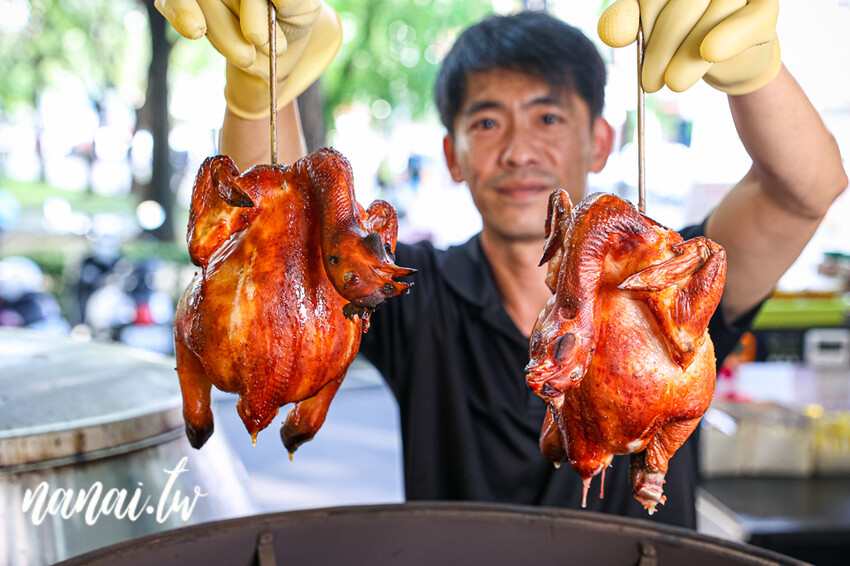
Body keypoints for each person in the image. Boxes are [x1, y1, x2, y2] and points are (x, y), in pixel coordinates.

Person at [158, 1, 847, 528]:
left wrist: (757, 67)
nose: (518, 150)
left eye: (548, 119)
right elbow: (287, 255)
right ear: (453, 154)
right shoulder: (419, 295)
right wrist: (259, 87)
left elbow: (802, 190)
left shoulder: (666, 284)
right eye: (487, 122)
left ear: (600, 140)